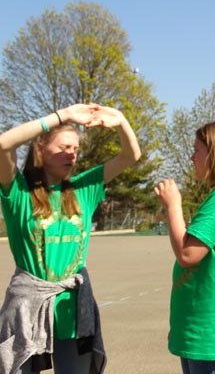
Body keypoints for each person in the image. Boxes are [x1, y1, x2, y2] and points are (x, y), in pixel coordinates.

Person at [0, 103, 141, 374]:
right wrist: (62, 116)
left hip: (73, 310)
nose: (72, 154)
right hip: (28, 308)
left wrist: (120, 119)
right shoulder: (19, 191)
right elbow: (3, 144)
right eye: (64, 147)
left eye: (75, 149)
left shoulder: (84, 188)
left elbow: (130, 155)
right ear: (41, 149)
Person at [154, 121, 215, 374]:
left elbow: (188, 254)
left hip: (212, 335)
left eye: (197, 150)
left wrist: (173, 205)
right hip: (202, 331)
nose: (192, 157)